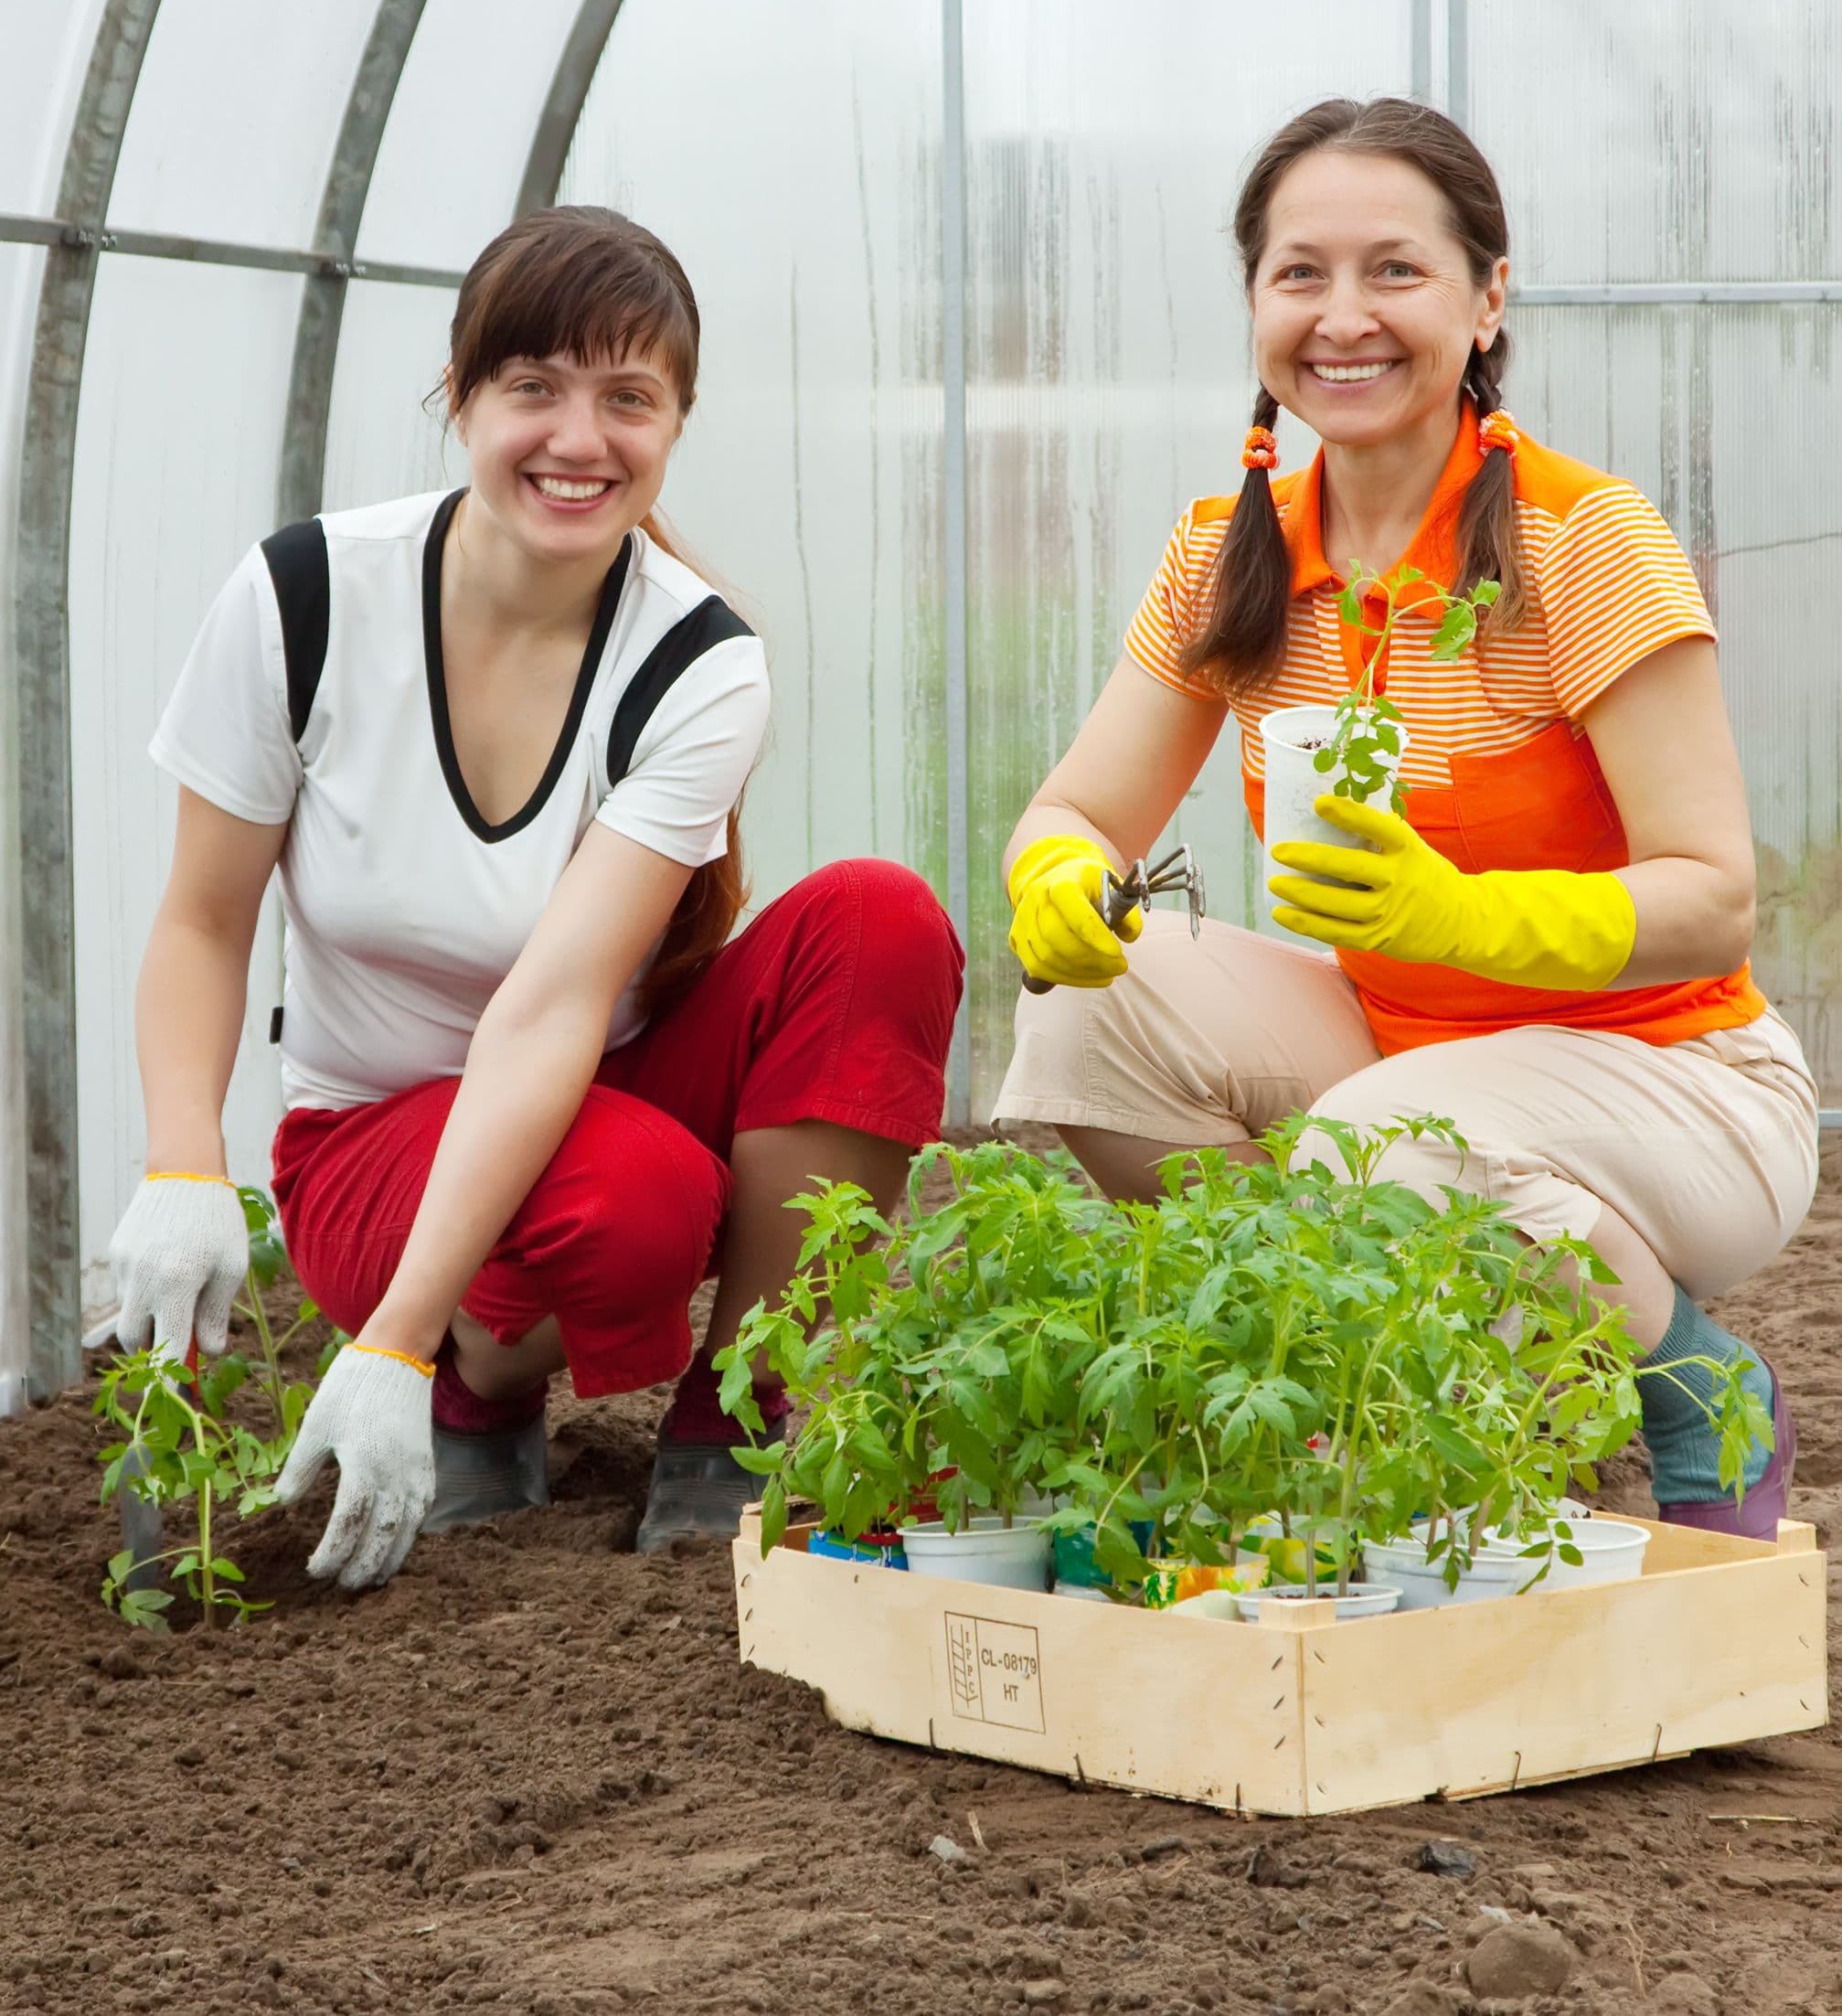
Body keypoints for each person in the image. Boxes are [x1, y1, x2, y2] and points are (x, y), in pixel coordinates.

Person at [109, 206, 962, 1588]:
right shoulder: (308, 597)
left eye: (629, 398)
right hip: (370, 1140)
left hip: (579, 1068)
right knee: (628, 1198)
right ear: (461, 396)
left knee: (882, 920)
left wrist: (387, 1341)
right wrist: (180, 1163)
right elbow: (205, 920)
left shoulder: (696, 661)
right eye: (535, 389)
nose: (581, 440)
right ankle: (476, 1385)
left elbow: (553, 1008)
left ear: (677, 420)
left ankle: (738, 1414)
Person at [996, 97, 1815, 1536]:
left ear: (1487, 300)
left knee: (1381, 1142)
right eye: (1299, 273)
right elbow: (1079, 804)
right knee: (1083, 1019)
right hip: (1409, 1051)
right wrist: (1058, 875)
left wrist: (1466, 917)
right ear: (1255, 302)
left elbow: (1715, 894)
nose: (1343, 316)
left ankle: (1699, 1383)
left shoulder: (1580, 541)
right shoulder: (1230, 554)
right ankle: (1393, 1359)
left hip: (1681, 1082)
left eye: (1396, 270)